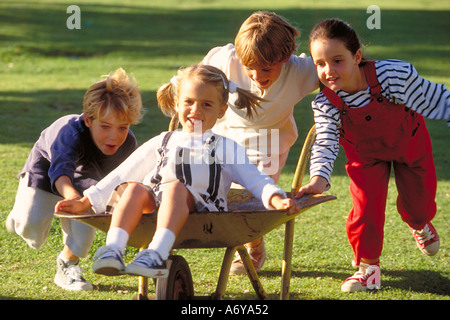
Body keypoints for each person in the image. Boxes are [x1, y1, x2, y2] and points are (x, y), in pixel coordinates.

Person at [55, 64, 299, 279]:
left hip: (205, 211)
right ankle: (114, 249)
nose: (196, 111)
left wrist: (275, 197)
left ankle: (157, 254)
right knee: (133, 188)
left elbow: (254, 179)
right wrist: (86, 200)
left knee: (174, 188)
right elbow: (123, 172)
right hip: (158, 205)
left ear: (221, 110)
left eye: (207, 105)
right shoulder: (164, 140)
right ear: (176, 104)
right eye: (189, 102)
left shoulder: (225, 147)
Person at [297, 18, 449, 292]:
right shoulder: (326, 102)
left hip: (409, 143)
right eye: (320, 63)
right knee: (364, 210)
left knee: (419, 204)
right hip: (364, 156)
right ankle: (369, 270)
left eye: (337, 60)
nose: (328, 70)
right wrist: (319, 178)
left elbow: (436, 98)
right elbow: (326, 141)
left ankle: (418, 222)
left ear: (357, 56)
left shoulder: (393, 76)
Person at [202, 11, 319, 274]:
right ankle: (245, 241)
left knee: (253, 196)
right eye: (249, 67)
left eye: (266, 68)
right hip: (226, 133)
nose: (256, 74)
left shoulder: (300, 71)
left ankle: (253, 247)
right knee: (220, 193)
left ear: (285, 58)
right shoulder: (225, 61)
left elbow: (335, 70)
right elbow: (197, 81)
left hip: (270, 140)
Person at [6, 68, 143, 291]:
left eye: (123, 127)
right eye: (105, 126)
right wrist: (73, 198)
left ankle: (67, 265)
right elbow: (61, 171)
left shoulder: (128, 143)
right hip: (47, 172)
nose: (114, 136)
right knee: (31, 229)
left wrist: (91, 204)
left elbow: (127, 177)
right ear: (88, 120)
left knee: (84, 231)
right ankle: (18, 218)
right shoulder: (69, 132)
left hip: (89, 182)